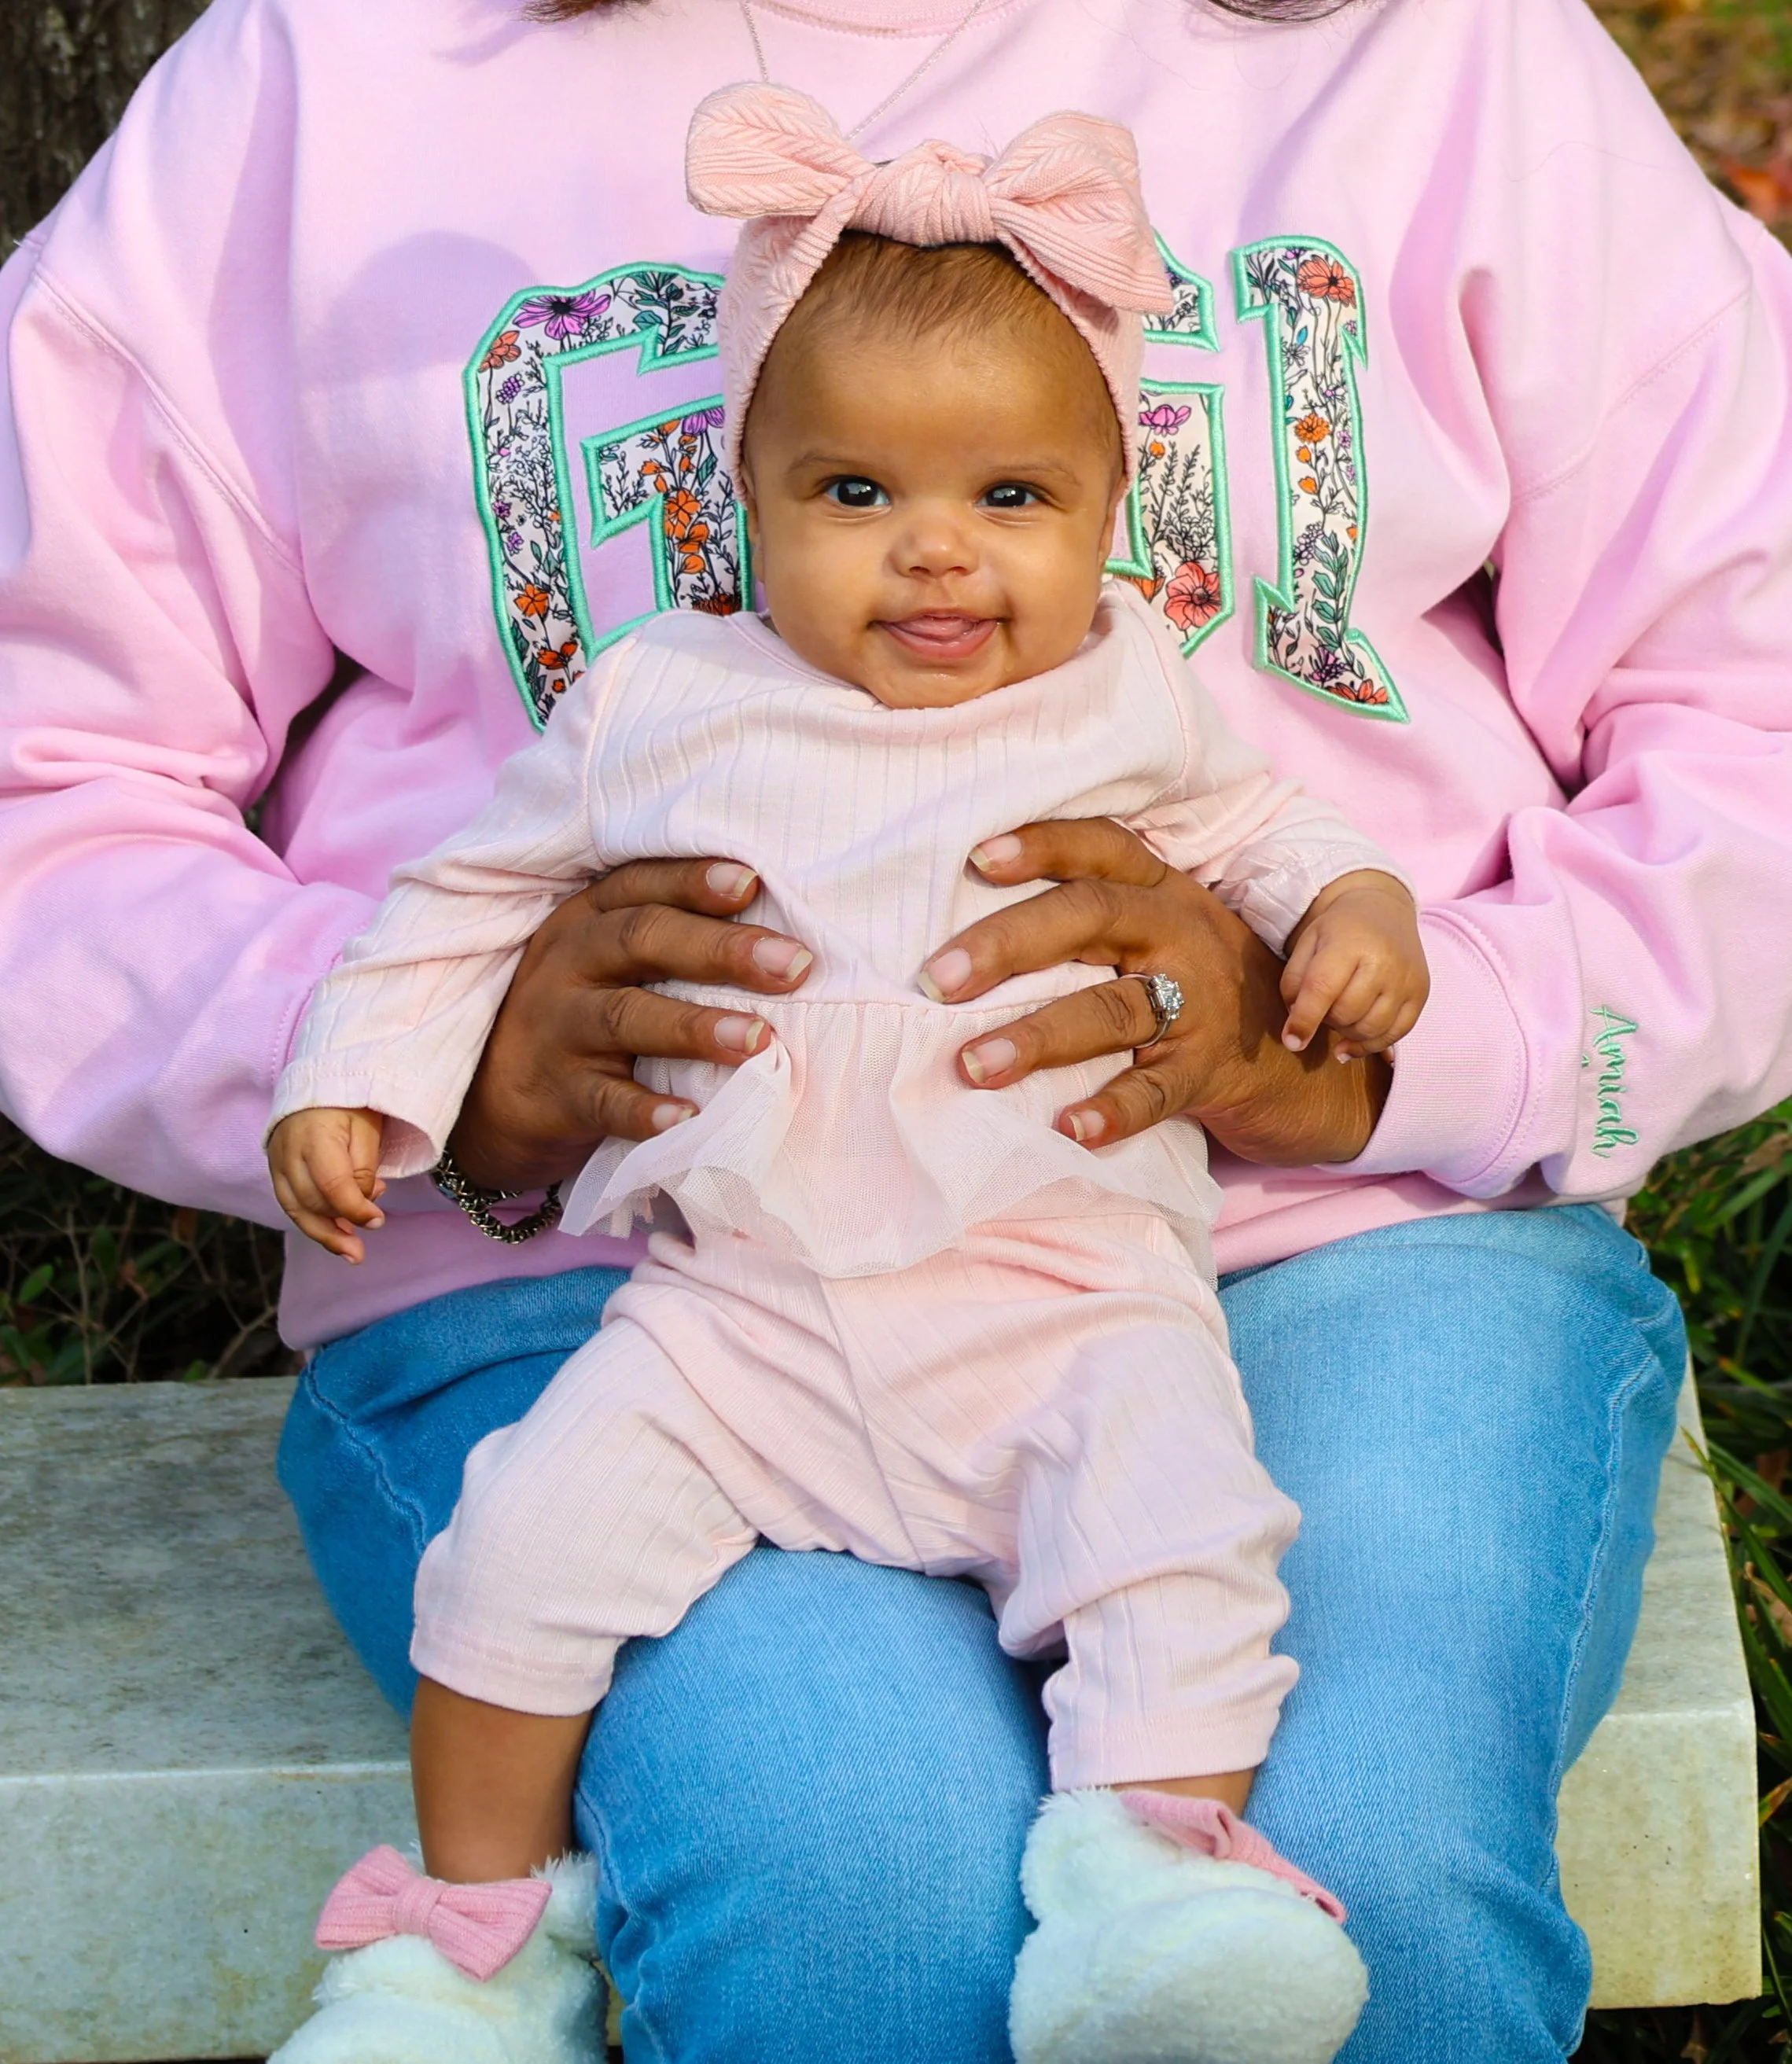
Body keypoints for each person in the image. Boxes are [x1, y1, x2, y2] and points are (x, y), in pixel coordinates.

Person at [0, 0, 1782, 2055]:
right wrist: (420, 1058)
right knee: (846, 1877)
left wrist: (1375, 1040)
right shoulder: (326, 72)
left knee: (1355, 1883)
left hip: (1346, 1237)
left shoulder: (1444, 57)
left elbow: (1749, 710)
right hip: (625, 1285)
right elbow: (51, 771)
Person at [265, 90, 1430, 2064]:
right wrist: (364, 1077)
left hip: (1064, 1286)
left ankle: (1155, 1880)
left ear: (1102, 506)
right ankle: (459, 1950)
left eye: (1007, 499)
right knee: (515, 1556)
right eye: (853, 495)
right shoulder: (665, 702)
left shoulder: (1125, 685)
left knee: (1177, 1536)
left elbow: (1265, 828)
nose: (932, 559)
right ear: (747, 492)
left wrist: (1361, 906)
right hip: (740, 1304)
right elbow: (464, 897)